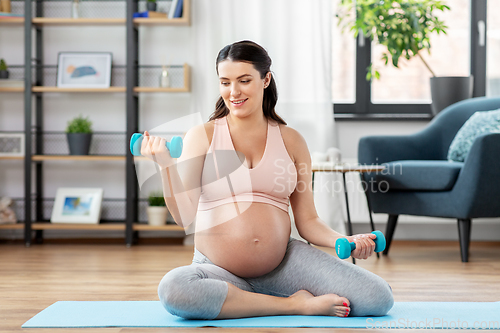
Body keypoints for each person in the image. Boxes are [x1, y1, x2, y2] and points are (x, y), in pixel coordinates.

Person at [141, 40, 394, 320]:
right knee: (174, 289)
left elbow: (308, 220)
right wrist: (165, 165)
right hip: (217, 269)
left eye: (244, 80)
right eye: (225, 82)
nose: (233, 91)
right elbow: (183, 216)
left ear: (266, 79)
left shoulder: (292, 141)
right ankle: (295, 305)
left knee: (378, 298)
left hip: (283, 266)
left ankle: (245, 302)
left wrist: (344, 238)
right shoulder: (202, 136)